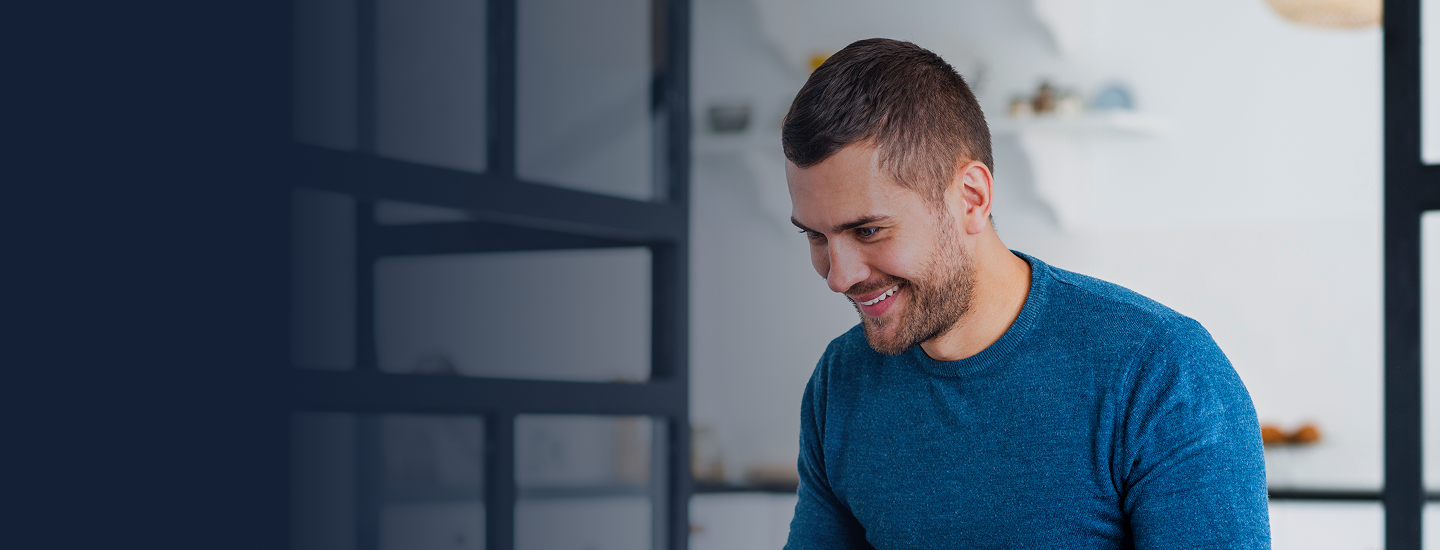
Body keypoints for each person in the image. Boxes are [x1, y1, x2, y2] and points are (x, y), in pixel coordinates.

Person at [781, 38, 1268, 548]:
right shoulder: (841, 381)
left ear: (971, 198)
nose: (838, 276)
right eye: (815, 235)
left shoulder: (1161, 373)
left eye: (867, 232)